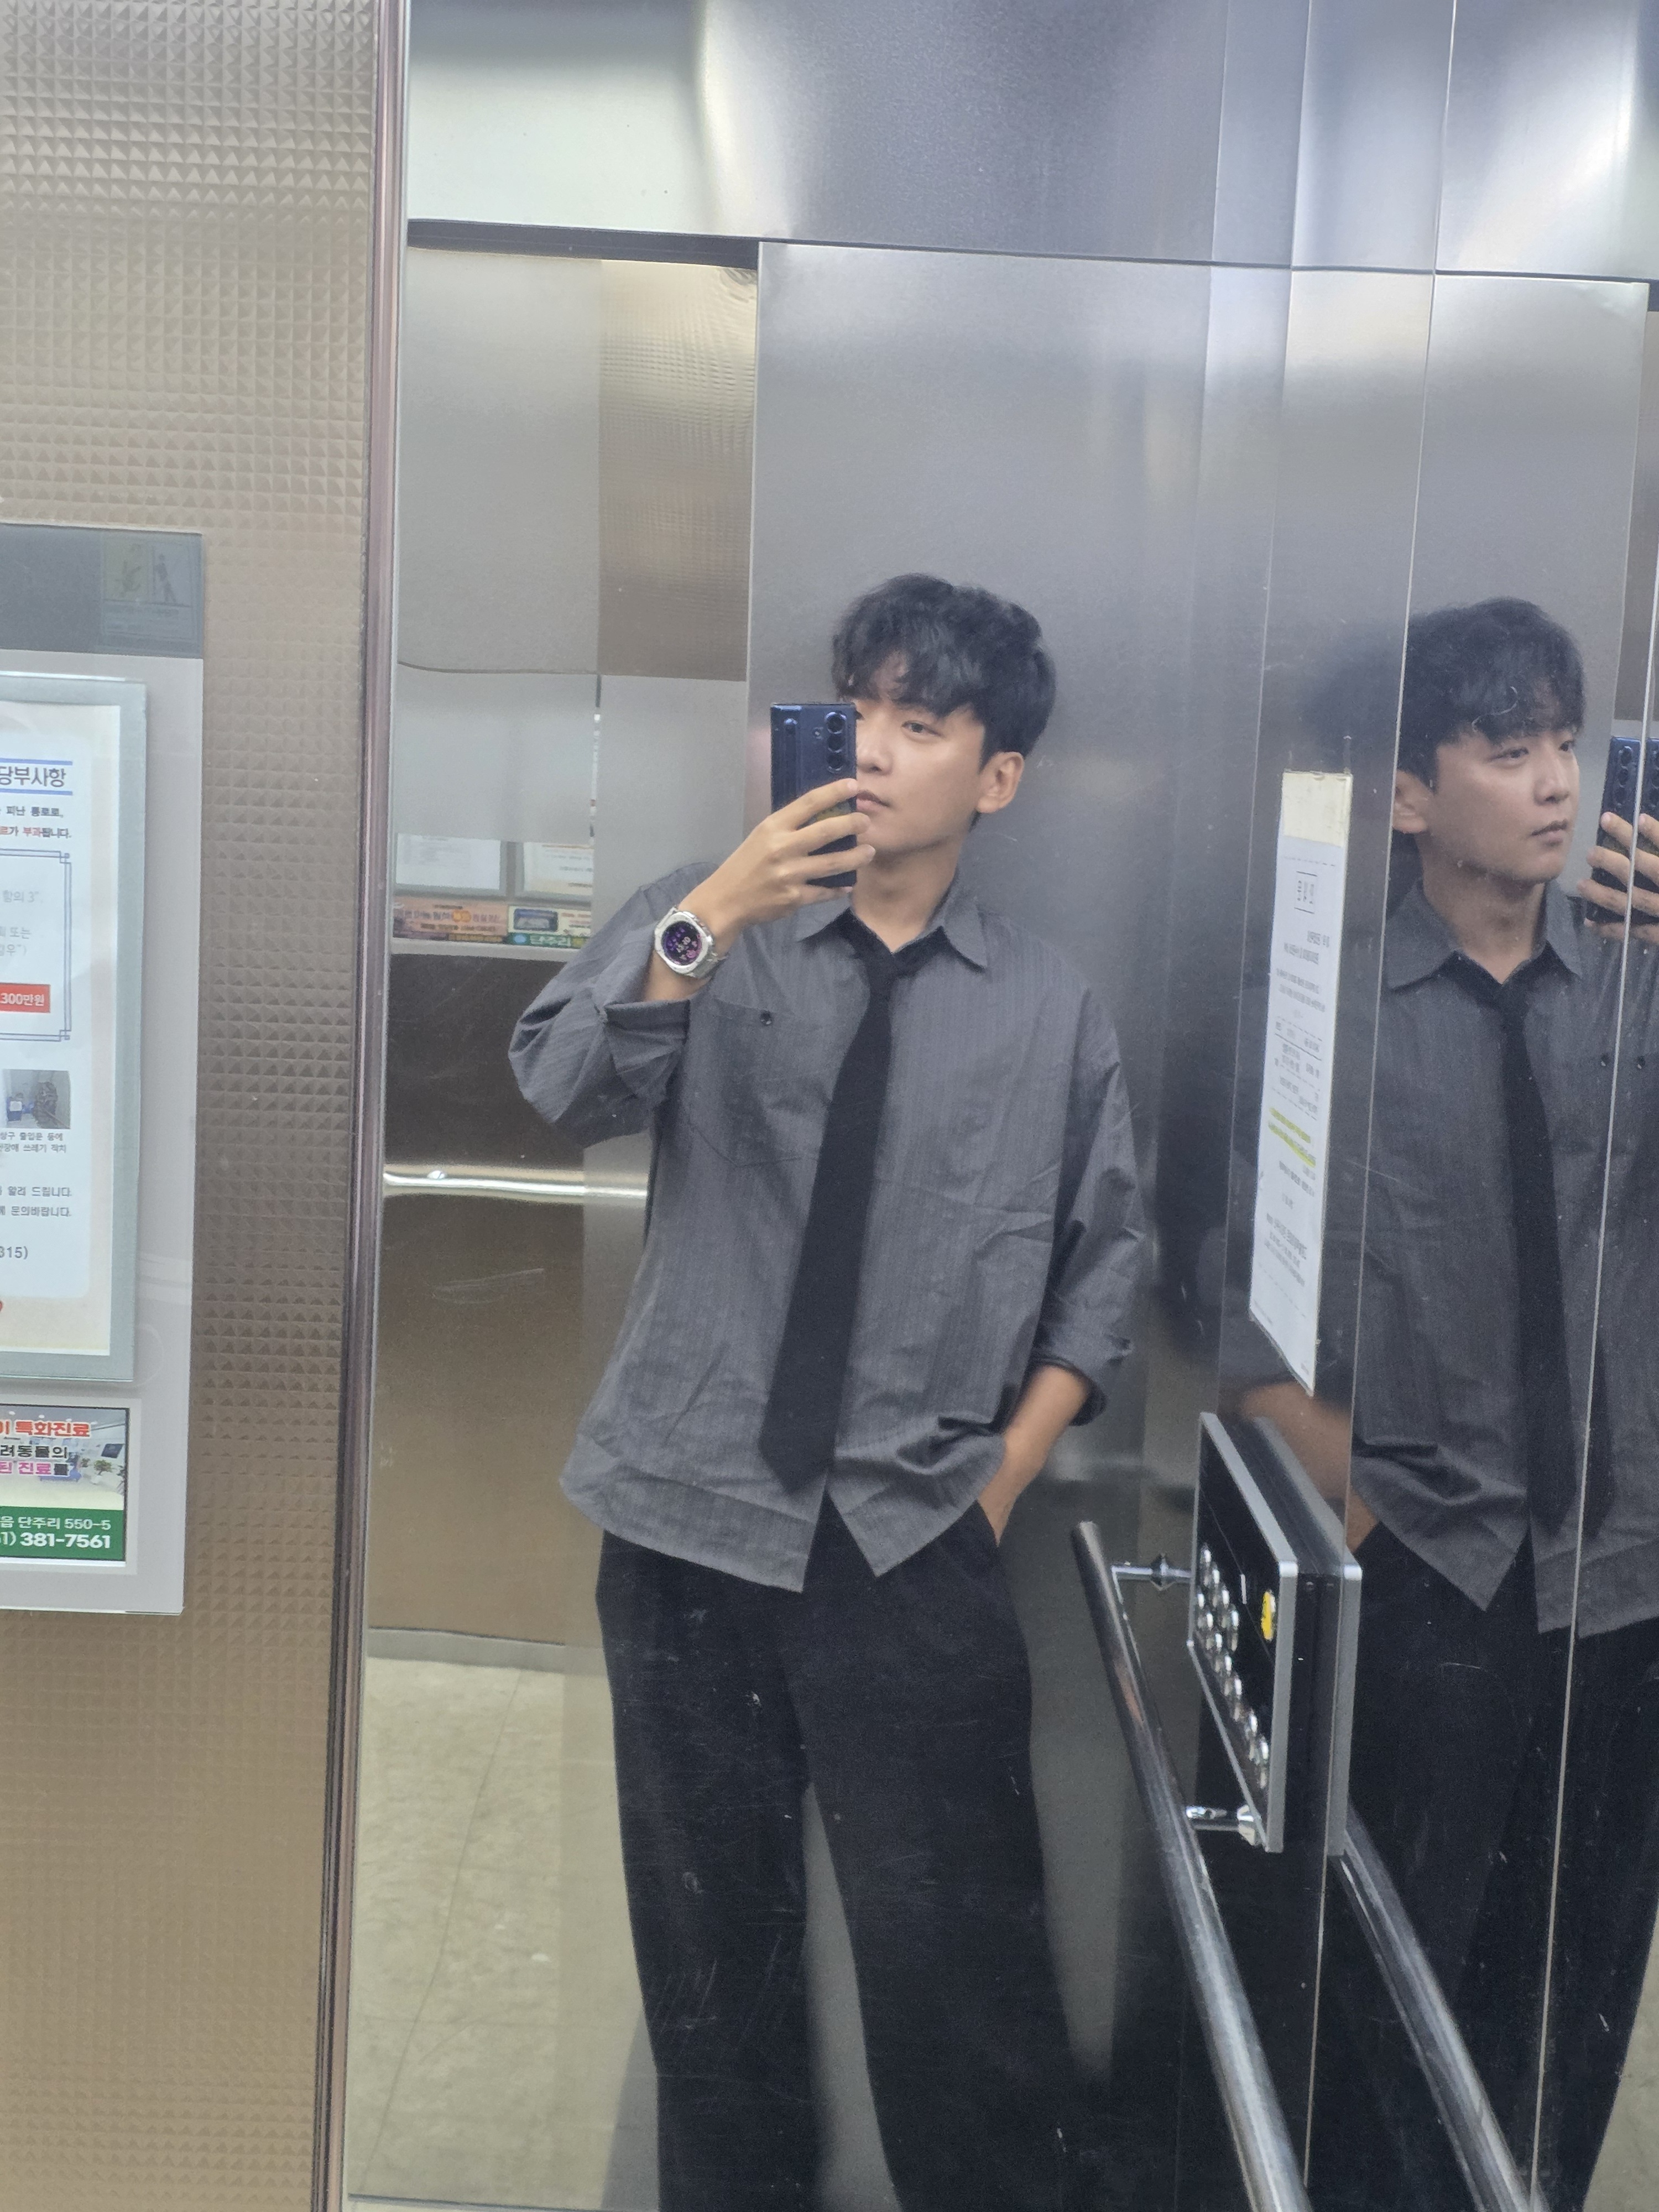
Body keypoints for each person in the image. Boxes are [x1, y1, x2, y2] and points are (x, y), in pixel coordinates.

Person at [510, 574, 1145, 2212]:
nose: (867, 749)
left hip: (911, 1540)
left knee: (965, 1985)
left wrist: (1000, 1481)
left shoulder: (1049, 1009)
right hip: (686, 1518)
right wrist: (710, 914)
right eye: (852, 709)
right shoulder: (703, 922)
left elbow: (1104, 1276)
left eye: (917, 724)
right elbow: (562, 1084)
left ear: (998, 776)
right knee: (711, 1980)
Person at [1245, 598, 1659, 2210]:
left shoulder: (1638, 989)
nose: (1555, 783)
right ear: (1412, 794)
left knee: (1580, 1994)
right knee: (1387, 1993)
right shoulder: (1330, 1012)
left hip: (1626, 1583)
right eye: (1507, 750)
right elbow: (1241, 1306)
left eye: (1564, 744)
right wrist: (1376, 1509)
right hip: (1433, 1575)